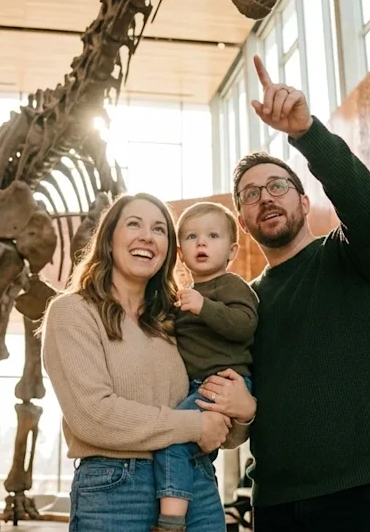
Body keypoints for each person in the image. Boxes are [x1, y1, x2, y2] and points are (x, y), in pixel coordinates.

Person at [209, 55, 370, 530]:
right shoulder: (244, 303)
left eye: (277, 186)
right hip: (278, 504)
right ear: (244, 223)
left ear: (305, 201)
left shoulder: (353, 256)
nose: (265, 197)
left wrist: (307, 133)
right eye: (250, 195)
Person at [41, 193, 257, 532]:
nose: (147, 236)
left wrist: (244, 413)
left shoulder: (174, 320)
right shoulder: (73, 311)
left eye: (159, 229)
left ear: (169, 250)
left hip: (195, 483)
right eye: (133, 224)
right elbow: (91, 416)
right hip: (117, 490)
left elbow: (219, 432)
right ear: (108, 240)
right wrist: (195, 427)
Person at [152, 202, 258, 531]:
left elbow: (244, 325)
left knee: (172, 442)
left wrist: (204, 307)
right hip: (197, 386)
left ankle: (171, 522)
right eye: (192, 237)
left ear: (232, 250)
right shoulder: (183, 296)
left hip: (224, 383)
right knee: (193, 452)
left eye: (212, 236)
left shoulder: (231, 286)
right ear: (180, 252)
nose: (202, 243)